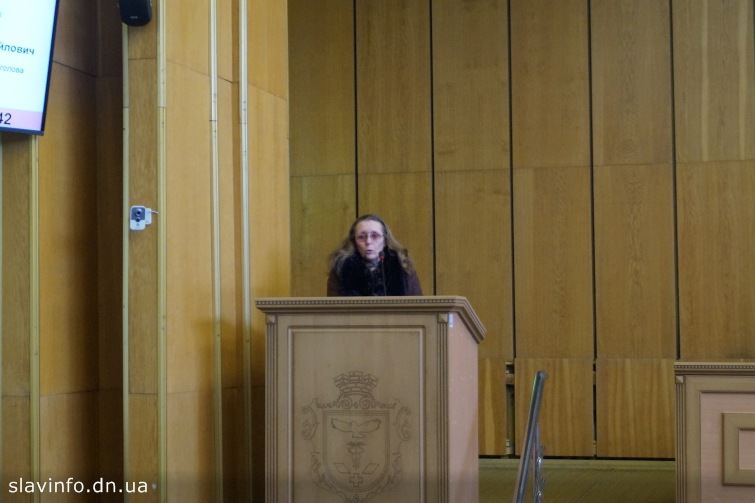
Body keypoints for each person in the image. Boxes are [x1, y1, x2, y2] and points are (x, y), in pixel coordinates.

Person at [327, 214, 423, 296]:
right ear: (354, 242)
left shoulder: (402, 265)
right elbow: (334, 308)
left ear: (385, 240)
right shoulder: (340, 268)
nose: (368, 241)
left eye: (375, 236)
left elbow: (417, 305)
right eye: (361, 237)